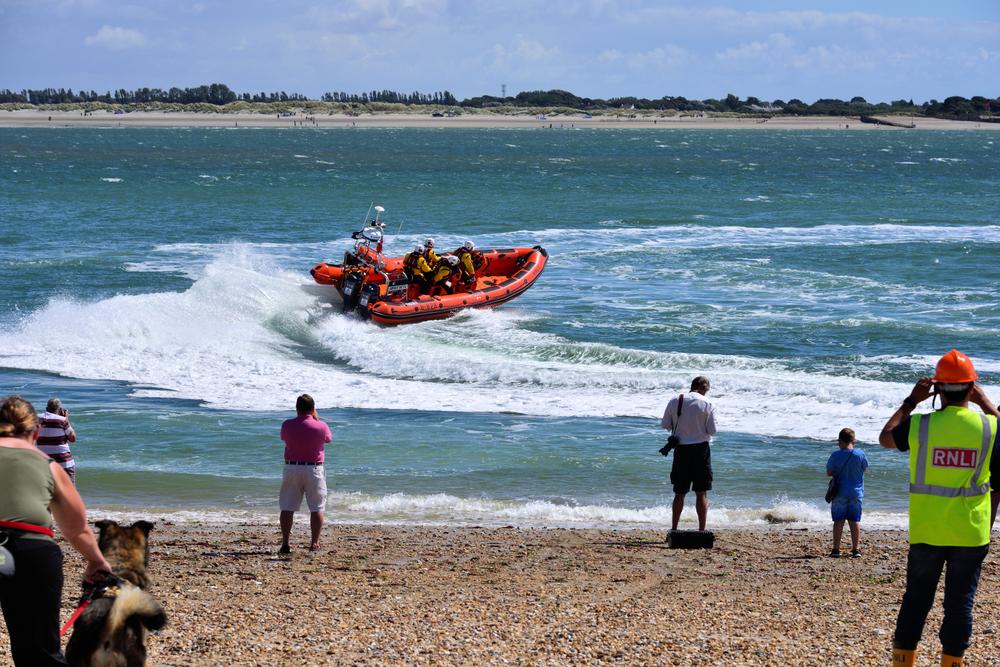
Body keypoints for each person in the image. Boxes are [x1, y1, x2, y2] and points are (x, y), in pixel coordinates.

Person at [879, 349, 1000, 667]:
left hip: (928, 529)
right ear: (971, 388)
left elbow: (885, 438)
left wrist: (911, 401)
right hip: (970, 532)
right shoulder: (989, 427)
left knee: (916, 601)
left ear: (937, 388)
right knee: (959, 603)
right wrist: (987, 405)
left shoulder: (920, 425)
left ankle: (903, 662)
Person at [0, 395, 111, 666]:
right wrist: (96, 561)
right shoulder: (48, 466)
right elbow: (77, 528)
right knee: (39, 650)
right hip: (30, 552)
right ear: (36, 431)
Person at [661, 376, 717, 531]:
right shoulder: (708, 403)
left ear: (692, 386)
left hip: (681, 450)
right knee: (701, 492)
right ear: (704, 388)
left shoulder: (675, 401)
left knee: (679, 493)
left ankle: (674, 528)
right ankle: (701, 530)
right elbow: (712, 431)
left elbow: (665, 425)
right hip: (701, 451)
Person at [279, 394, 332, 553]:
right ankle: (314, 543)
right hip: (313, 468)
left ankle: (285, 543)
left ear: (297, 408)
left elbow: (284, 438)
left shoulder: (287, 425)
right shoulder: (321, 426)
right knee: (316, 507)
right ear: (313, 409)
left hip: (292, 467)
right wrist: (316, 419)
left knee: (287, 506)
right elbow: (328, 439)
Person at [826, 427, 868, 558]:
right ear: (853, 441)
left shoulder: (835, 455)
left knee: (838, 521)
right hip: (856, 492)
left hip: (840, 492)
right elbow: (865, 468)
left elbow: (829, 472)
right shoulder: (860, 454)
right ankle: (856, 550)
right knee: (854, 521)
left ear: (840, 441)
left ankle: (836, 550)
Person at [37, 398, 77, 484]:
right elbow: (72, 438)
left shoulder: (36, 418)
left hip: (43, 463)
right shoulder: (62, 420)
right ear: (59, 409)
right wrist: (66, 419)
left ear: (47, 408)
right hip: (64, 463)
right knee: (68, 492)